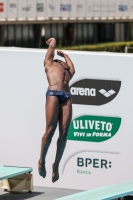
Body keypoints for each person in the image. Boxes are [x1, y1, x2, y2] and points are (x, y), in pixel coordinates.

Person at [38, 37, 75, 183]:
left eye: (64, 63)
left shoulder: (68, 72)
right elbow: (51, 48)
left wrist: (65, 56)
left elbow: (72, 68)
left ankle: (56, 165)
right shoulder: (49, 64)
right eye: (60, 61)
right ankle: (42, 160)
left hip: (66, 96)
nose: (62, 63)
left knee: (64, 133)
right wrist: (52, 41)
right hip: (53, 93)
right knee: (50, 130)